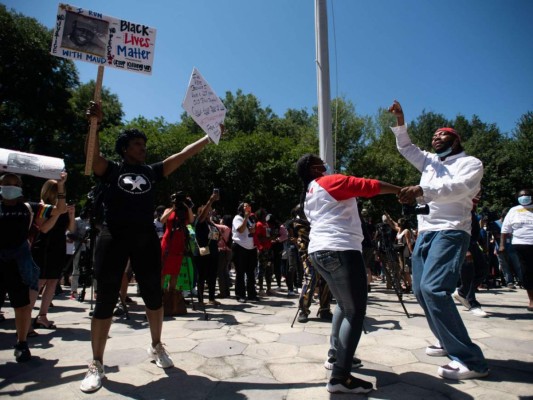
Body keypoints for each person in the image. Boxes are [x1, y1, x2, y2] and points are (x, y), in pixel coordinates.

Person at [80, 101, 220, 393]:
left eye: (144, 143)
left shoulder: (152, 171)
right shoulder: (111, 170)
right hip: (113, 236)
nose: (143, 147)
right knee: (106, 298)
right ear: (125, 148)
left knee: (153, 297)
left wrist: (209, 136)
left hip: (145, 238)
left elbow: (181, 155)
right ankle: (96, 363)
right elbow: (91, 157)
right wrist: (94, 124)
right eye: (137, 144)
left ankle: (157, 346)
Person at [389, 100, 489, 380]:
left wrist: (422, 189)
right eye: (433, 135)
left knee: (434, 289)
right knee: (421, 291)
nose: (436, 137)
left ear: (456, 140)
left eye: (442, 134)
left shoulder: (470, 163)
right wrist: (400, 120)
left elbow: (460, 188)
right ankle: (447, 341)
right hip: (427, 232)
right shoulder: (430, 161)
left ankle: (471, 360)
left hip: (452, 229)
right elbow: (406, 148)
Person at [296, 153, 401, 394]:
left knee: (344, 306)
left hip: (319, 252)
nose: (324, 162)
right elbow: (369, 186)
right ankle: (340, 376)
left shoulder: (309, 193)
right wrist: (401, 190)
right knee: (355, 311)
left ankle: (336, 356)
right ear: (314, 168)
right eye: (319, 161)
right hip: (341, 249)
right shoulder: (330, 181)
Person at [0, 172, 67, 362]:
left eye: (14, 183)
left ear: (20, 187)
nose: (10, 186)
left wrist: (61, 187)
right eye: (6, 183)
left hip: (19, 264)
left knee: (21, 306)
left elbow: (59, 209)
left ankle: (22, 343)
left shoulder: (30, 208)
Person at [30, 179, 76, 331]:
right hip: (44, 247)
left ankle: (43, 316)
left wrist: (70, 215)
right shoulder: (43, 207)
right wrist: (57, 213)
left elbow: (71, 229)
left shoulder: (61, 207)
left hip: (58, 247)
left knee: (52, 282)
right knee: (39, 281)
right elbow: (43, 228)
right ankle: (26, 316)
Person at [452, 192, 489, 317]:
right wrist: (466, 249)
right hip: (464, 244)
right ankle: (472, 302)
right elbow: (459, 228)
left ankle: (462, 292)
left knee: (483, 270)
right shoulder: (461, 208)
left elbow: (474, 229)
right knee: (469, 273)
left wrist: (483, 244)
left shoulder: (472, 210)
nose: (478, 195)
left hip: (472, 244)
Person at [500, 188, 533, 311]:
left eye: (526, 195)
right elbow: (505, 229)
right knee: (526, 271)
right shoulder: (513, 211)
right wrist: (502, 245)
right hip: (521, 244)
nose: (524, 197)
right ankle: (531, 300)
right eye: (521, 195)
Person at [193, 193, 221, 306]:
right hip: (203, 253)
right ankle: (200, 300)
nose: (209, 212)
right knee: (202, 276)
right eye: (207, 211)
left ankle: (211, 298)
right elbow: (203, 215)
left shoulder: (211, 223)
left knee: (212, 276)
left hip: (213, 252)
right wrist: (210, 201)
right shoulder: (199, 222)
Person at [232, 202, 258, 302]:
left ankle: (252, 294)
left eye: (249, 206)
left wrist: (253, 230)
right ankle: (240, 295)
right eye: (245, 206)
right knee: (240, 272)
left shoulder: (251, 219)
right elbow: (241, 230)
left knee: (251, 272)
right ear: (241, 208)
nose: (248, 207)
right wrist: (246, 218)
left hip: (251, 248)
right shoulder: (238, 218)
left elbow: (251, 231)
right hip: (240, 247)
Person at [68, 208, 90, 300]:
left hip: (90, 248)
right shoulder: (77, 220)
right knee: (76, 269)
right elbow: (70, 234)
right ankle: (74, 290)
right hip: (78, 247)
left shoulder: (92, 221)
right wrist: (82, 240)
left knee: (93, 268)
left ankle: (96, 290)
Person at [254, 208, 274, 296]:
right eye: (265, 213)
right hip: (263, 250)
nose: (266, 215)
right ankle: (261, 288)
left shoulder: (266, 224)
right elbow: (257, 238)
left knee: (269, 269)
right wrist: (268, 239)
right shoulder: (258, 225)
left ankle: (269, 288)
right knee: (262, 269)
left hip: (269, 249)